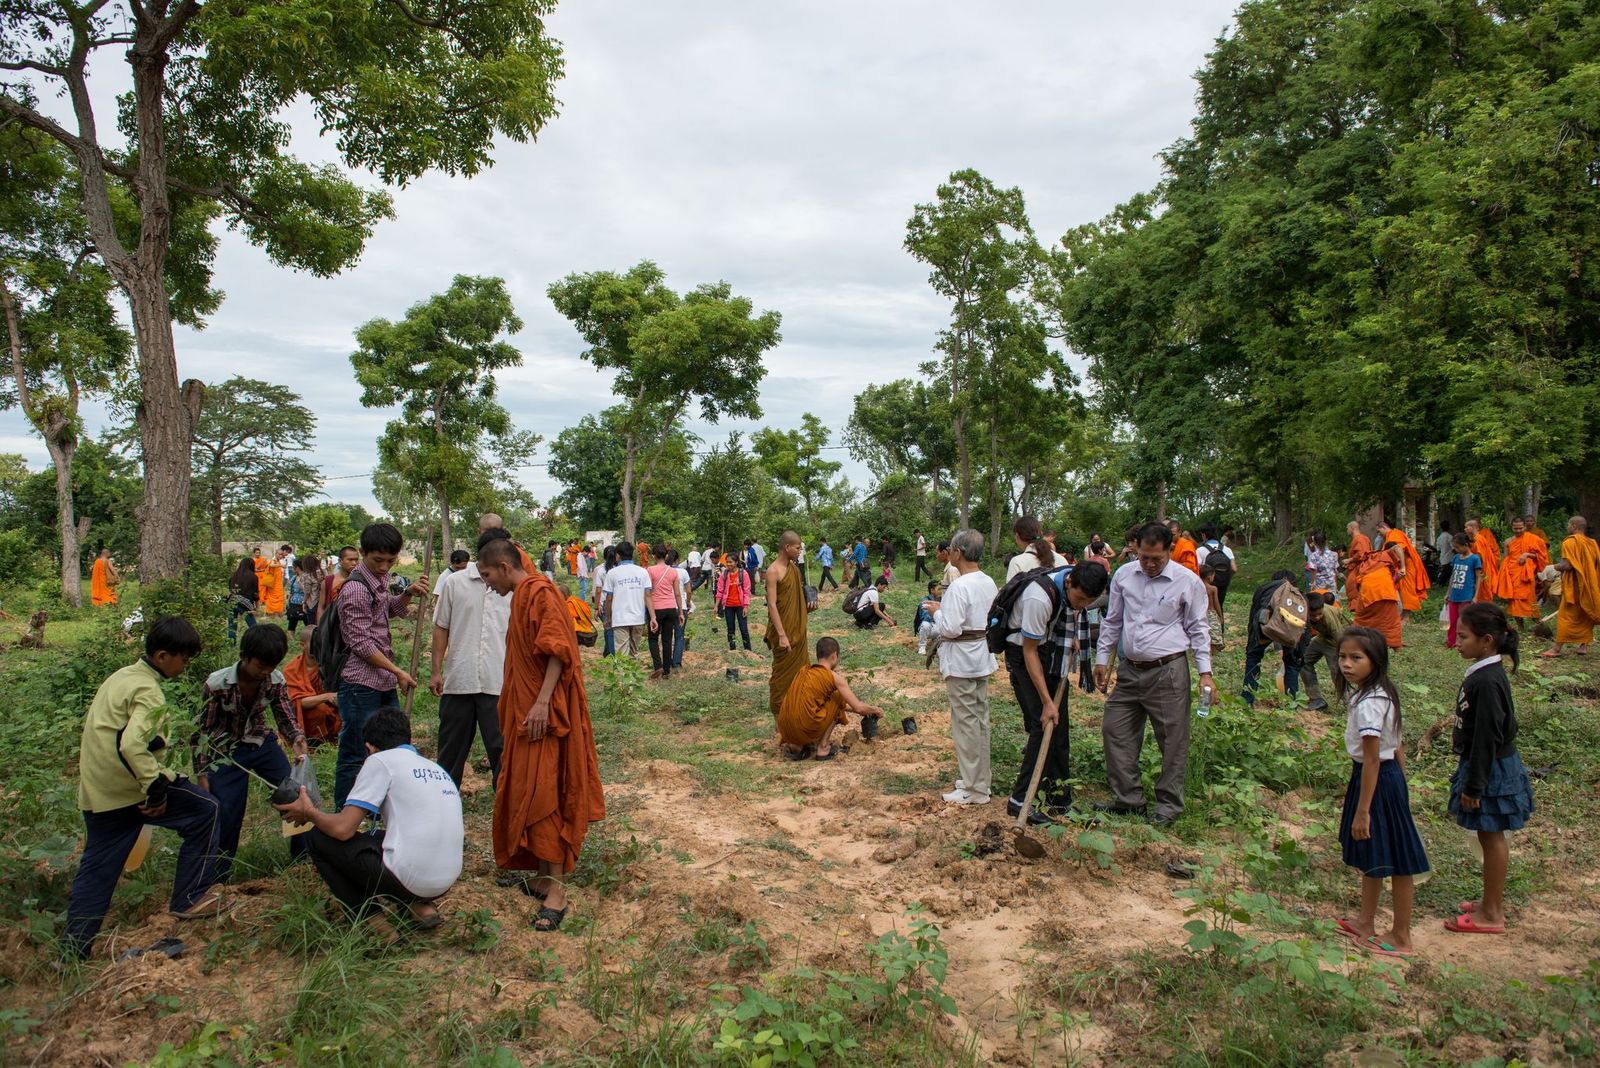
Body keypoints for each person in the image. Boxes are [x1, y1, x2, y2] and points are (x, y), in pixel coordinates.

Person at [62, 618, 220, 960]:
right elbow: (132, 746)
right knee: (206, 809)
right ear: (163, 656)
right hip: (129, 790)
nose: (186, 665)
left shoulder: (122, 676)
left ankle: (72, 952)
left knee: (98, 871)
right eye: (184, 658)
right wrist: (156, 790)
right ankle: (190, 897)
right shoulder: (147, 690)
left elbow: (120, 735)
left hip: (99, 791)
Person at [475, 538, 606, 933]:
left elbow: (558, 650)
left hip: (542, 716)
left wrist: (542, 701)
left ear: (503, 565)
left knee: (545, 794)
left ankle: (558, 892)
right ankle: (544, 876)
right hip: (525, 714)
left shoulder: (539, 592)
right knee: (526, 789)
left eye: (486, 575)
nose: (486, 584)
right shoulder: (519, 596)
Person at [273, 706, 460, 929]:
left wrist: (310, 813)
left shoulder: (380, 761)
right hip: (447, 878)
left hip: (413, 877)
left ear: (369, 747)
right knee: (378, 837)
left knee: (318, 837)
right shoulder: (435, 767)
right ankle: (422, 908)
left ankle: (374, 923)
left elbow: (343, 829)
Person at [1093, 522, 1212, 828]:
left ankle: (1168, 806)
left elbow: (1199, 628)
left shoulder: (1188, 582)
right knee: (1114, 729)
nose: (1148, 564)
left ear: (1170, 551)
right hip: (1130, 671)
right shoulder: (1123, 575)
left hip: (1168, 672)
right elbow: (1113, 620)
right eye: (1143, 556)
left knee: (1172, 739)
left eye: (1156, 559)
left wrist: (1205, 673)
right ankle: (1128, 799)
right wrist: (1102, 659)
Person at [1333, 626, 1427, 959]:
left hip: (1376, 780)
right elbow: (1398, 743)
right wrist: (1401, 780)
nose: (1347, 664)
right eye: (1343, 657)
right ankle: (1365, 921)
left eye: (1356, 658)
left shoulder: (1372, 702)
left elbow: (1373, 757)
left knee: (1399, 859)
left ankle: (1402, 935)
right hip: (1383, 780)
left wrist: (1364, 809)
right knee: (1372, 853)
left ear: (1375, 661)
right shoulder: (1371, 692)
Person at [191, 623, 309, 881]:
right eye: (260, 666)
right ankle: (217, 876)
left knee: (294, 794)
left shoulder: (275, 680)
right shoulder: (216, 684)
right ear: (244, 657)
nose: (264, 672)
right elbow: (201, 732)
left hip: (260, 743)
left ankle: (303, 860)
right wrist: (202, 773)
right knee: (228, 810)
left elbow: (285, 716)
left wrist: (297, 738)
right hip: (224, 750)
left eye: (271, 666)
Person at [1445, 603, 1533, 935]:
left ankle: (1492, 913)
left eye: (1463, 636)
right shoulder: (1482, 673)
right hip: (1487, 765)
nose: (1457, 642)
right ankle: (1487, 902)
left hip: (1492, 768)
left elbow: (1487, 736)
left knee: (1493, 836)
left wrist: (1474, 785)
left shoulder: (1488, 681)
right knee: (1486, 833)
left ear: (1487, 641)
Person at [1004, 557, 1109, 820]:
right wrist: (1046, 701)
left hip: (1048, 649)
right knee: (1044, 723)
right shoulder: (1039, 598)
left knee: (1059, 728)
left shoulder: (1069, 583)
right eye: (1081, 599)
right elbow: (1029, 653)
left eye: (1088, 602)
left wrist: (1071, 637)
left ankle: (1058, 798)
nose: (1082, 606)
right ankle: (1019, 800)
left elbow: (1064, 616)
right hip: (1024, 654)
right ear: (1070, 582)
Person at [333, 523, 429, 808]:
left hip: (383, 681)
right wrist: (398, 671)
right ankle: (346, 815)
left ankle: (380, 808)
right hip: (360, 685)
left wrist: (408, 593)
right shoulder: (354, 590)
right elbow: (360, 644)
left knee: (391, 750)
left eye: (391, 560)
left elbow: (388, 609)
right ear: (363, 553)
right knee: (356, 751)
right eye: (378, 560)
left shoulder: (379, 581)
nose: (385, 566)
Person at [428, 531, 512, 790]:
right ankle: (444, 801)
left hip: (497, 681)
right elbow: (441, 627)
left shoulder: (513, 588)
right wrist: (436, 671)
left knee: (501, 749)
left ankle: (505, 805)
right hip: (459, 681)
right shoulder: (455, 583)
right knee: (451, 748)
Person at [934, 529, 998, 805]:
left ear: (957, 553)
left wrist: (936, 612)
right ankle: (979, 779)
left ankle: (974, 788)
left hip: (962, 660)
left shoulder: (961, 585)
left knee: (966, 724)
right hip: (980, 656)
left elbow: (950, 628)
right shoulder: (987, 581)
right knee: (979, 720)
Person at [777, 637, 883, 760]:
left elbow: (840, 706)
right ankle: (823, 748)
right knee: (837, 697)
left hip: (785, 730)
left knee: (822, 702)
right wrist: (875, 709)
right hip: (804, 729)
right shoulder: (833, 677)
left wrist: (867, 709)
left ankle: (797, 746)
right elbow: (858, 707)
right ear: (834, 656)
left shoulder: (803, 671)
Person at [1240, 571, 1308, 707]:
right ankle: (1292, 702)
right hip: (1290, 630)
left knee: (1254, 657)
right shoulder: (1299, 595)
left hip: (1265, 624)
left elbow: (1254, 611)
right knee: (1291, 663)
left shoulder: (1266, 588)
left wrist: (1251, 643)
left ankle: (1247, 699)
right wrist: (1300, 653)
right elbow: (1306, 624)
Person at [764, 532, 812, 717]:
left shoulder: (794, 569)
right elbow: (773, 605)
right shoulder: (773, 571)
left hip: (798, 632)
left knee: (802, 676)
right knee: (781, 678)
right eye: (798, 548)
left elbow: (795, 601)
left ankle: (798, 715)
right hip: (783, 633)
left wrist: (808, 608)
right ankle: (779, 719)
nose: (800, 551)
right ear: (787, 547)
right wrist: (782, 635)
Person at [1545, 515, 1600, 657]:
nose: (1567, 527)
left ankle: (1556, 649)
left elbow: (1567, 565)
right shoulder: (1592, 543)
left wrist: (1553, 567)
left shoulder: (1570, 542)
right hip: (1589, 584)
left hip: (1575, 586)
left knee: (1565, 616)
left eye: (1568, 524)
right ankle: (1583, 646)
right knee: (1585, 614)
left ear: (1574, 526)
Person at [1347, 532, 1404, 650]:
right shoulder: (1385, 555)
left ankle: (1355, 641)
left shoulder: (1369, 561)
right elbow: (1397, 548)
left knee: (1361, 619)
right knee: (1391, 621)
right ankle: (1395, 647)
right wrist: (1403, 567)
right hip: (1385, 593)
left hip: (1367, 593)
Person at [284, 632, 340, 744]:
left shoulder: (329, 664)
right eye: (315, 643)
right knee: (319, 710)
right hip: (307, 715)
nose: (319, 646)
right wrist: (326, 696)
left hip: (333, 708)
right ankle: (315, 742)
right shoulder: (291, 670)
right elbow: (297, 702)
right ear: (302, 645)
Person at [1298, 592, 1349, 712]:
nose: (1316, 617)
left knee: (1337, 671)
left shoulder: (1329, 617)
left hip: (1337, 640)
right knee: (1304, 662)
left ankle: (1350, 704)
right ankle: (1316, 698)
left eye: (1319, 614)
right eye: (1313, 615)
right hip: (1323, 637)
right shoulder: (1302, 612)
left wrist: (1344, 655)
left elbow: (1339, 636)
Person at [1495, 516, 1549, 629]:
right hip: (1512, 573)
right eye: (1516, 528)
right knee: (1514, 600)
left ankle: (1538, 624)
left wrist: (1527, 554)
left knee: (1530, 599)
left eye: (1520, 528)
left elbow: (1541, 556)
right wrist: (1502, 572)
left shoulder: (1533, 538)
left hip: (1526, 575)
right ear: (1512, 528)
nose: (1518, 530)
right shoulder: (1508, 541)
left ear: (1525, 526)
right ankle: (1520, 627)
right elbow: (1505, 558)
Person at [601, 541, 650, 657]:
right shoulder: (643, 572)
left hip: (620, 618)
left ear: (618, 556)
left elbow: (609, 598)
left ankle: (622, 675)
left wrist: (607, 617)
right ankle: (633, 674)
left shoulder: (612, 573)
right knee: (634, 654)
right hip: (638, 618)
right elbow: (648, 596)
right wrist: (651, 617)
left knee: (622, 656)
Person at [1377, 519, 1430, 621]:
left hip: (1407, 565)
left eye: (1379, 531)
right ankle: (1402, 615)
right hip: (1401, 564)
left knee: (1407, 591)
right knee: (1400, 590)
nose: (1379, 534)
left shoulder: (1394, 534)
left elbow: (1399, 548)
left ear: (1384, 527)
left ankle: (1406, 617)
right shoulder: (1391, 535)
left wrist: (1402, 567)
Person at [645, 544, 682, 680]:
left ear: (653, 556)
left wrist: (652, 616)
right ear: (666, 556)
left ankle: (658, 666)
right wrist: (681, 613)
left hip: (656, 608)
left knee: (653, 638)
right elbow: (677, 593)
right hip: (671, 608)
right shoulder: (673, 572)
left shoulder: (650, 570)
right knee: (667, 639)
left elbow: (648, 593)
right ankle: (667, 670)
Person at [1445, 533, 1484, 649]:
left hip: (1466, 595)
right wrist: (1448, 593)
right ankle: (1451, 642)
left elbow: (1479, 578)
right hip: (1454, 595)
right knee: (1452, 621)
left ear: (1466, 545)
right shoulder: (1456, 558)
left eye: (1457, 547)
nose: (1456, 550)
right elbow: (1453, 576)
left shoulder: (1475, 559)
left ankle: (1466, 643)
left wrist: (1476, 596)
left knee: (1464, 622)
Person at [717, 555, 753, 651]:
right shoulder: (724, 575)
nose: (728, 564)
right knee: (730, 629)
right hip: (728, 606)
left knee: (743, 629)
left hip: (740, 606)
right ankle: (732, 650)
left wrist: (746, 606)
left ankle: (748, 650)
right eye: (727, 562)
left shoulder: (743, 574)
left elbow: (747, 591)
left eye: (730, 562)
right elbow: (720, 591)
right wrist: (716, 606)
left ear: (736, 562)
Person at [1195, 524, 1236, 609]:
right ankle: (1221, 622)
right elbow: (1234, 569)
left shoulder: (1200, 551)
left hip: (1207, 586)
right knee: (1219, 607)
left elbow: (1197, 569)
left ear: (1204, 535)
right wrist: (1225, 578)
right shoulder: (1227, 549)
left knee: (1207, 609)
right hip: (1223, 584)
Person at [1467, 517, 1502, 604]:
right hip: (1485, 568)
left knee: (1484, 592)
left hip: (1482, 569)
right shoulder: (1479, 537)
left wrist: (1477, 570)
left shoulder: (1478, 539)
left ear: (1473, 527)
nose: (1465, 529)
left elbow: (1479, 556)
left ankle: (1486, 611)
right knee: (1485, 591)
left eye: (1466, 527)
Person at [227, 556, 260, 642]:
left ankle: (231, 645)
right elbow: (255, 594)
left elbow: (229, 590)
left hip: (232, 601)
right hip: (245, 604)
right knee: (253, 625)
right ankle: (258, 640)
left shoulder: (233, 575)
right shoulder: (253, 577)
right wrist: (257, 608)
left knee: (231, 626)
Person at [670, 549, 692, 668]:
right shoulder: (683, 572)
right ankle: (677, 662)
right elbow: (688, 590)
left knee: (667, 636)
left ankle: (667, 661)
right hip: (681, 607)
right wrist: (688, 602)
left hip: (667, 607)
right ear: (677, 560)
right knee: (679, 636)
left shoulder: (665, 571)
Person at [1305, 531, 1339, 606]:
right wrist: (1336, 584)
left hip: (1319, 583)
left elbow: (1313, 571)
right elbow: (1335, 571)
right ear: (1326, 541)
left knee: (1320, 602)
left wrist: (1311, 585)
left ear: (1315, 543)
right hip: (1331, 582)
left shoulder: (1313, 556)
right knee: (1332, 601)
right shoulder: (1334, 554)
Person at [592, 545, 615, 656]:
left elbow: (598, 590)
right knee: (612, 629)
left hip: (605, 603)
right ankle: (607, 651)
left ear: (604, 556)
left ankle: (611, 654)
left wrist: (597, 607)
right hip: (617, 602)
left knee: (609, 629)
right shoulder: (617, 569)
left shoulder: (601, 571)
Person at [913, 581, 940, 656]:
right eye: (938, 589)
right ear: (932, 590)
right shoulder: (925, 601)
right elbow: (925, 616)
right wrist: (936, 614)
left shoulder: (943, 599)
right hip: (930, 627)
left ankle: (937, 644)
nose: (940, 591)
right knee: (925, 624)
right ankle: (922, 647)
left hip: (938, 627)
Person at [565, 581, 596, 647]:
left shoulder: (569, 604)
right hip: (587, 626)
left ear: (563, 595)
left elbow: (569, 618)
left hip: (578, 631)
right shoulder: (578, 600)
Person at [258, 547, 286, 616]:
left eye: (281, 555)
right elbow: (271, 565)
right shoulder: (274, 560)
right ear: (276, 554)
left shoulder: (278, 561)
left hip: (278, 583)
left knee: (280, 597)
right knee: (271, 598)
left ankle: (277, 612)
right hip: (273, 584)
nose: (280, 556)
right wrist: (281, 565)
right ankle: (269, 612)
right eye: (279, 554)